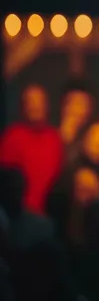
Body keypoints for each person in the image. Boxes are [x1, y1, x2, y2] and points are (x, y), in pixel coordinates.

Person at [0, 84, 64, 214]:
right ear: (23, 107)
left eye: (39, 102)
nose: (35, 106)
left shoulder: (55, 138)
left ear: (47, 106)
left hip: (49, 218)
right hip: (19, 216)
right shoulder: (12, 137)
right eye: (30, 102)